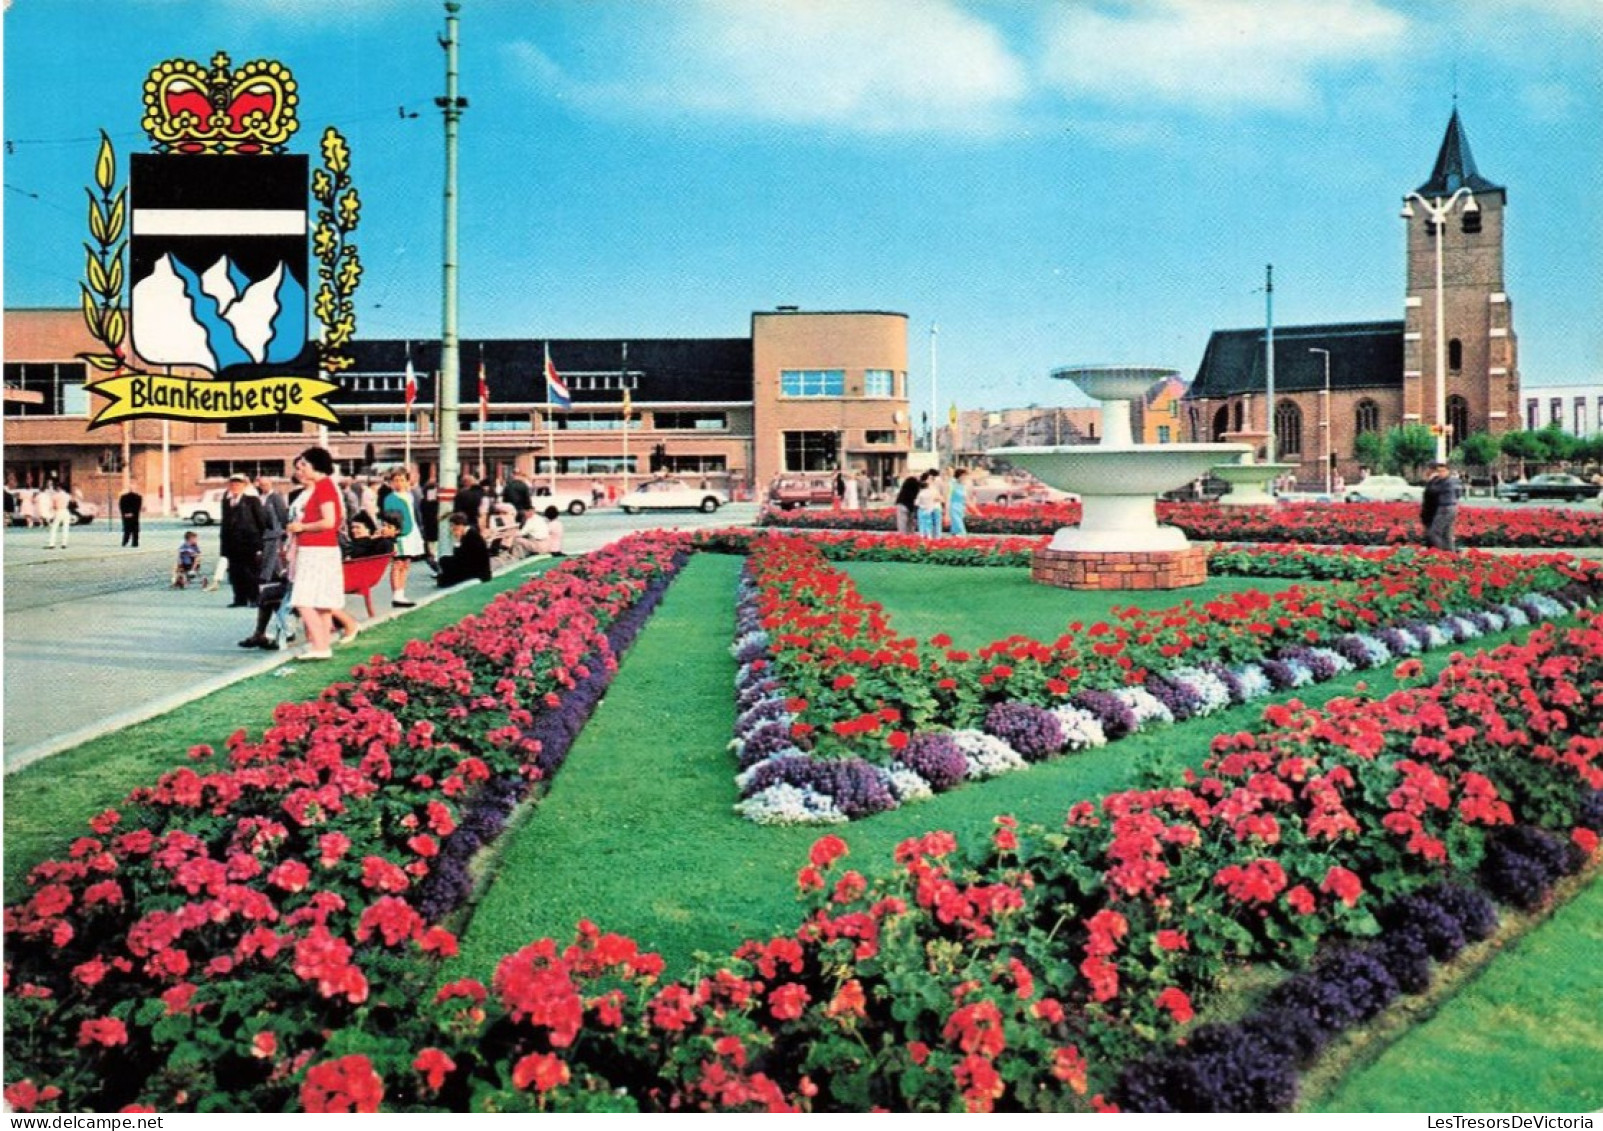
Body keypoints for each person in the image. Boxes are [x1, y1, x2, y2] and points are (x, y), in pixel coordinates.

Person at [286, 446, 345, 660]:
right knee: (322, 601)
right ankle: (322, 644)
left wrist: (301, 527)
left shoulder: (323, 488)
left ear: (315, 466)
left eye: (303, 465)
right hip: (322, 549)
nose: (299, 469)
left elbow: (329, 522)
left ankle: (320, 646)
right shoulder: (326, 486)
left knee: (303, 599)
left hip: (316, 549)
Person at [220, 473, 267, 608]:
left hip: (249, 544)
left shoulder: (252, 501)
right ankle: (239, 598)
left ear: (244, 486)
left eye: (238, 484)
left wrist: (259, 544)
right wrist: (224, 547)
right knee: (235, 573)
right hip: (232, 545)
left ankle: (254, 598)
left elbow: (261, 522)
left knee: (251, 572)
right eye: (233, 484)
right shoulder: (226, 502)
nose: (235, 486)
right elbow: (224, 524)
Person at [380, 467, 425, 608]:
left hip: (412, 532)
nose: (399, 483)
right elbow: (389, 518)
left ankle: (401, 592)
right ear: (392, 483)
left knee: (406, 563)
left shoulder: (410, 496)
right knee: (397, 563)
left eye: (402, 480)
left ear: (407, 481)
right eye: (396, 480)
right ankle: (396, 595)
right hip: (399, 534)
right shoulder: (390, 498)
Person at [436, 511, 492, 588]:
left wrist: (458, 541)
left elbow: (462, 557)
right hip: (471, 565)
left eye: (453, 526)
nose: (452, 529)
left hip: (476, 570)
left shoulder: (471, 536)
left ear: (460, 525)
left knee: (444, 566)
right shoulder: (469, 533)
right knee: (444, 560)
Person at [1420, 460, 1462, 552]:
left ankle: (1440, 553)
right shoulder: (1443, 481)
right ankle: (1451, 553)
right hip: (1447, 508)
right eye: (1439, 471)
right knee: (1447, 534)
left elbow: (1433, 491)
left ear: (1448, 471)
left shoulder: (1447, 482)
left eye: (1443, 471)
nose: (1440, 473)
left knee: (1434, 533)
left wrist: (1430, 481)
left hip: (1445, 508)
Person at [41, 482, 72, 549]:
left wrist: (51, 513)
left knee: (54, 528)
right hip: (66, 511)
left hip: (59, 511)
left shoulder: (55, 496)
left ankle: (51, 544)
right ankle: (64, 544)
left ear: (58, 487)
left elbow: (53, 506)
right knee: (65, 528)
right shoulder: (67, 495)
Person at [915, 471, 941, 539]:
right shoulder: (922, 488)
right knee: (927, 524)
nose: (931, 479)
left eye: (931, 478)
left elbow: (939, 498)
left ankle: (937, 539)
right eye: (929, 478)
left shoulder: (935, 487)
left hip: (935, 508)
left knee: (936, 524)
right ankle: (927, 537)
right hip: (929, 508)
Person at [948, 468, 969, 536]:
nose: (965, 478)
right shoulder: (952, 484)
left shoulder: (963, 486)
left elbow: (965, 498)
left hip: (961, 508)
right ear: (959, 476)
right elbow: (948, 497)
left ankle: (955, 541)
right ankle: (962, 538)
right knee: (959, 527)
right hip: (953, 507)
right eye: (963, 476)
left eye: (966, 476)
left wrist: (966, 507)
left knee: (955, 527)